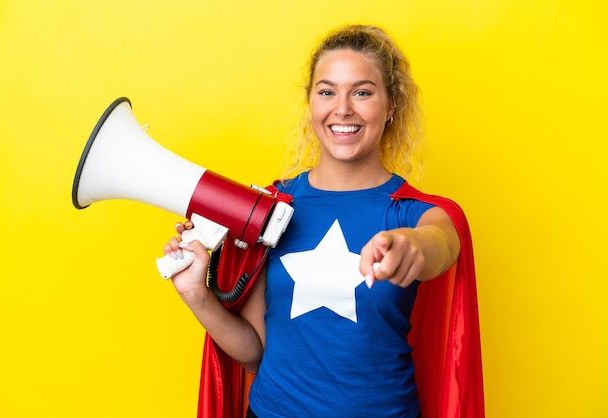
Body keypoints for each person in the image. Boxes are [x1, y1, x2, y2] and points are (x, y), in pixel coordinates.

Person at [164, 25, 464, 418]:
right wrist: (197, 296)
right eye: (327, 91)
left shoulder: (413, 213)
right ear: (311, 104)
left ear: (390, 106)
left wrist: (411, 245)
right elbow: (256, 354)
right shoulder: (270, 209)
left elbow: (442, 242)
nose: (342, 108)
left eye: (362, 92)